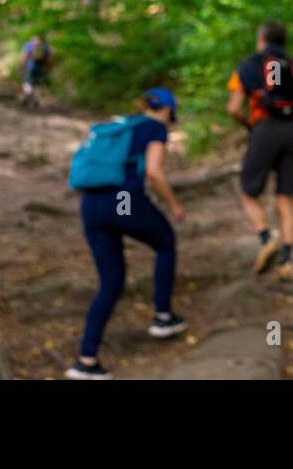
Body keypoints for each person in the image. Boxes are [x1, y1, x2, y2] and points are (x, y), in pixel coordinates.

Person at [67, 87, 187, 380]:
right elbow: (155, 172)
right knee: (165, 243)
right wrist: (174, 205)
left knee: (110, 282)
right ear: (168, 110)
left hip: (91, 204)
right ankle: (162, 316)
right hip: (122, 201)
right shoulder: (155, 128)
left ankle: (86, 360)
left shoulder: (120, 125)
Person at [227, 21, 293, 279]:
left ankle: (266, 239)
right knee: (285, 197)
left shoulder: (248, 66)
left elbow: (233, 108)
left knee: (247, 190)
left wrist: (250, 125)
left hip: (264, 128)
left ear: (261, 39)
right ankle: (287, 259)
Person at [20, 34, 52, 108]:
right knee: (38, 84)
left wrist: (22, 66)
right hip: (41, 67)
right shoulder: (46, 47)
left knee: (27, 82)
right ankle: (36, 98)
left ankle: (29, 95)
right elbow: (49, 59)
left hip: (30, 66)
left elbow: (24, 57)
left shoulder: (28, 45)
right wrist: (48, 67)